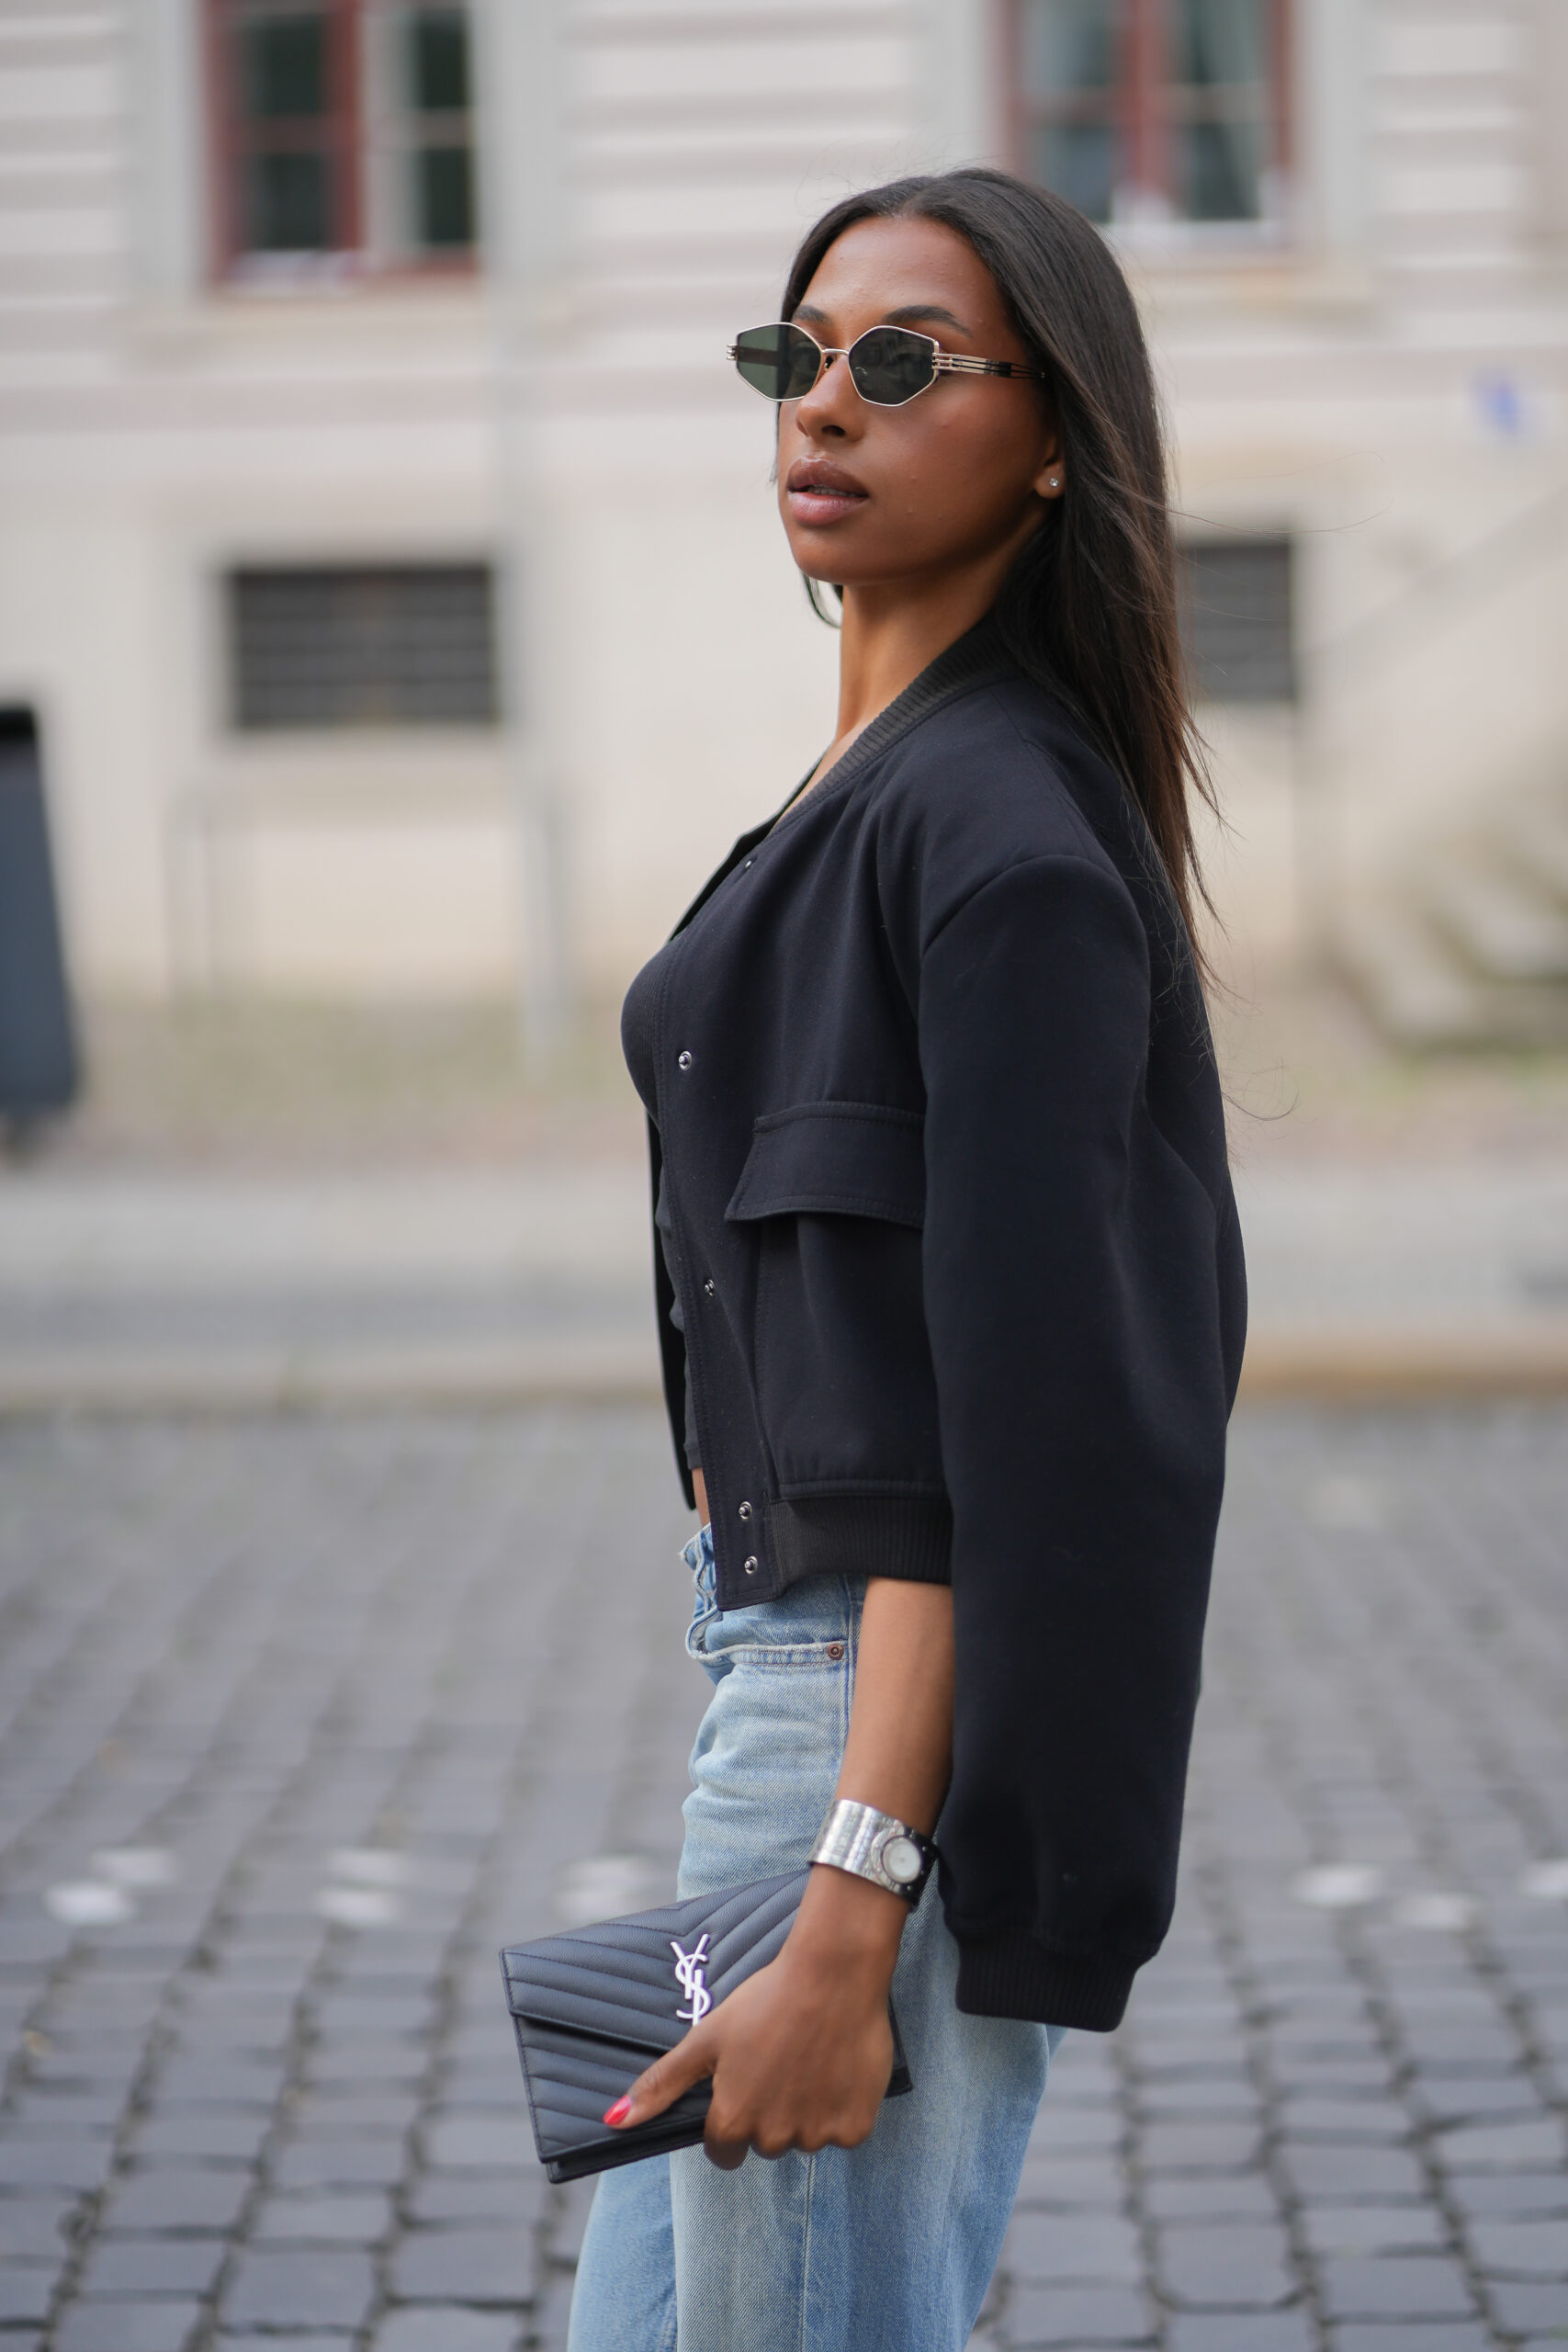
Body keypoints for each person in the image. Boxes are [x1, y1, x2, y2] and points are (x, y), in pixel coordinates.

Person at [569, 167, 1247, 2352]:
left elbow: (1019, 1428)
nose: (821, 403)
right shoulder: (871, 780)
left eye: (898, 362)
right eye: (793, 355)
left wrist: (856, 1889)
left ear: (1051, 437)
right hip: (768, 1686)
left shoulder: (1003, 834)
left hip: (858, 1738)